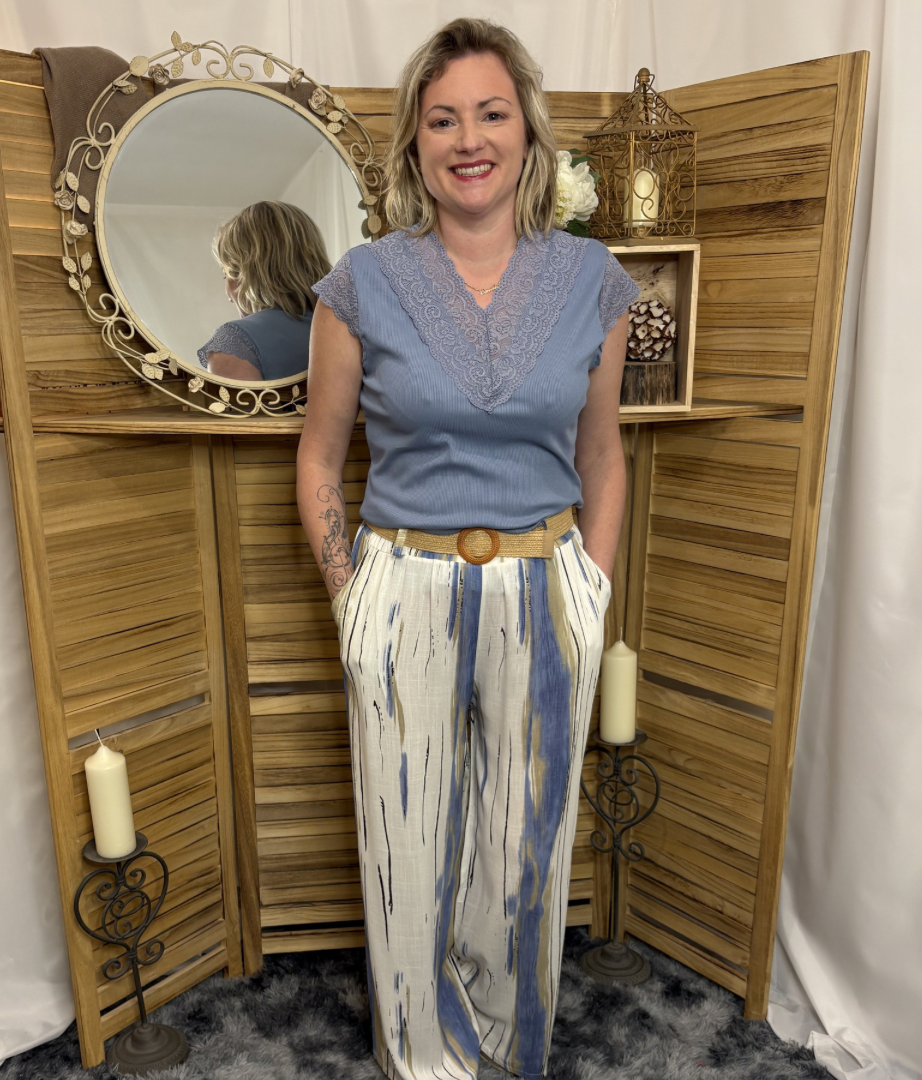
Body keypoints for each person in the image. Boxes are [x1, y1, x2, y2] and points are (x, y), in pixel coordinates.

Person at [296, 18, 637, 1080]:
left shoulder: (593, 280)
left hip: (547, 580)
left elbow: (604, 454)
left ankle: (507, 1050)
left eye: (491, 113)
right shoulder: (361, 283)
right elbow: (319, 459)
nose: (469, 139)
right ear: (415, 142)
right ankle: (420, 1060)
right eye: (442, 119)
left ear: (527, 131)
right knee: (406, 847)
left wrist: (591, 587)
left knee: (523, 847)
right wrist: (353, 598)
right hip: (404, 584)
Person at [197, 201, 331, 381]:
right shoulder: (353, 326)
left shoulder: (235, 342)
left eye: (226, 273)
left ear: (245, 274)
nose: (228, 295)